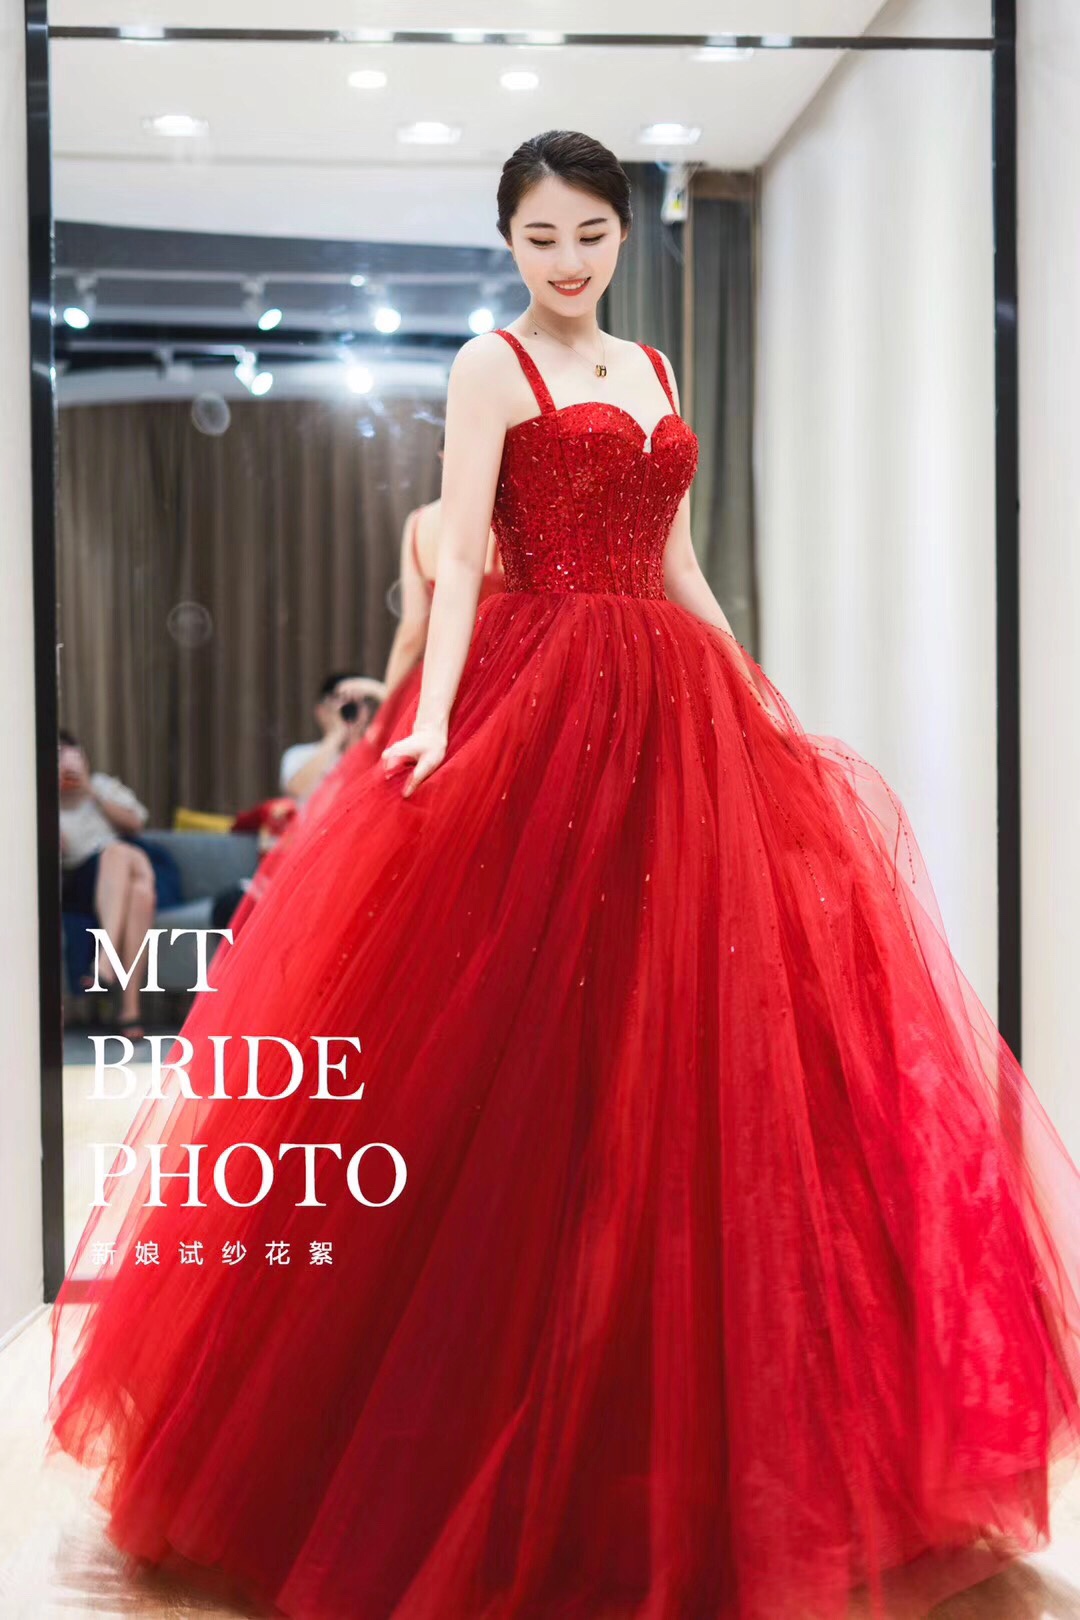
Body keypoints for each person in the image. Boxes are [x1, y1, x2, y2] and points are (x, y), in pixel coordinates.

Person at [45, 130, 1080, 1620]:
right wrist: (435, 718)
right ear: (508, 241)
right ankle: (459, 1439)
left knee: (690, 1057)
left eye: (589, 233)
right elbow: (464, 557)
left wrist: (753, 687)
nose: (568, 259)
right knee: (517, 1050)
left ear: (621, 234)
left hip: (676, 712)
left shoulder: (654, 367)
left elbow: (679, 563)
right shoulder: (492, 363)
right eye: (541, 236)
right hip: (544, 703)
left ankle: (673, 1444)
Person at [58, 729, 158, 1038]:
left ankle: (106, 961)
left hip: (127, 863)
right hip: (83, 878)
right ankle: (130, 1011)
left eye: (73, 758)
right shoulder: (43, 802)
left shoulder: (101, 787)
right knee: (136, 882)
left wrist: (90, 791)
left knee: (125, 863)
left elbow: (135, 823)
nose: (67, 766)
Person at [279, 669, 386, 804]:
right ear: (321, 711)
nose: (350, 710)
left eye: (360, 703)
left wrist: (373, 689)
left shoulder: (381, 753)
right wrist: (336, 735)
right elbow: (297, 790)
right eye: (342, 701)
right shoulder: (298, 755)